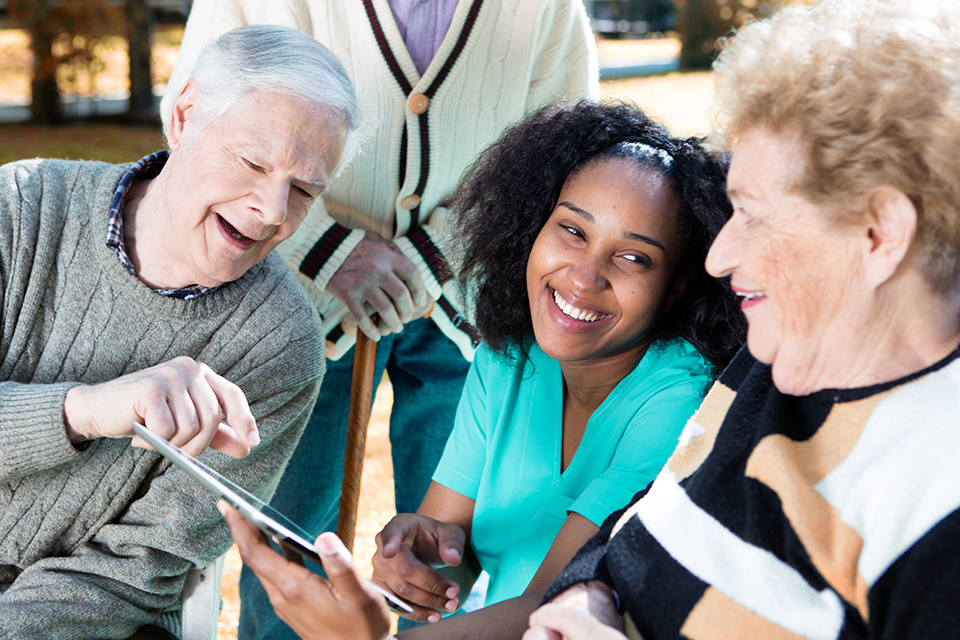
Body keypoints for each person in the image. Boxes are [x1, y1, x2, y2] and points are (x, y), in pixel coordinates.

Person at [219, 101, 747, 640]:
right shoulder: (510, 355)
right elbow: (453, 546)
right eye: (571, 231)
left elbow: (556, 606)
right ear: (533, 227)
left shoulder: (683, 402)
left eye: (633, 258)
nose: (585, 276)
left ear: (679, 285)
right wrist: (421, 560)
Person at [521, 1, 960, 639]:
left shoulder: (939, 514)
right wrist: (584, 593)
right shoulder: (772, 355)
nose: (722, 258)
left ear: (880, 233)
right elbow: (647, 520)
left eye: (754, 215)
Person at [160, 3, 599, 638]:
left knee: (451, 564)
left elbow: (565, 144)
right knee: (293, 561)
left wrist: (433, 255)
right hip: (300, 304)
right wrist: (328, 250)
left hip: (469, 308)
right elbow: (195, 111)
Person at [0, 24, 359, 639]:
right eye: (253, 162)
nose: (273, 211)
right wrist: (84, 409)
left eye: (303, 190)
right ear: (186, 116)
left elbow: (133, 570)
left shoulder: (282, 344)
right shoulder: (21, 205)